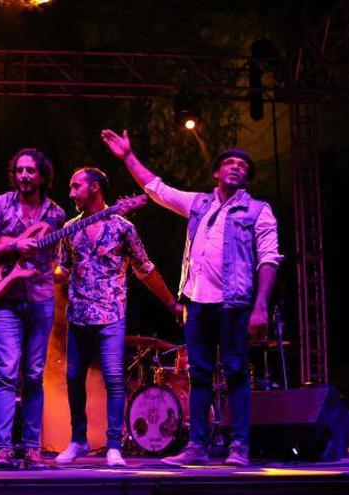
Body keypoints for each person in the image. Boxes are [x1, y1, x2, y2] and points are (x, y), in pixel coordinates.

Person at [101, 129, 282, 466]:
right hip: (197, 302)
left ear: (247, 176)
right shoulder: (198, 203)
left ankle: (239, 447)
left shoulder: (259, 210)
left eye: (242, 165)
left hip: (235, 303)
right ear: (216, 172)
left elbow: (269, 259)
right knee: (198, 375)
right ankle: (196, 446)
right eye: (228, 163)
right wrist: (128, 157)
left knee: (236, 371)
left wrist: (261, 307)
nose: (235, 167)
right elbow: (157, 190)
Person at [53, 167, 181, 467]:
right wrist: (40, 274)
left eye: (76, 187)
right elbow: (64, 268)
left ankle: (113, 445)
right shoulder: (71, 228)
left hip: (111, 314)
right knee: (73, 378)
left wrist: (170, 303)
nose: (71, 193)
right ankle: (78, 440)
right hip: (79, 315)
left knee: (113, 378)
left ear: (95, 188)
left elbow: (145, 268)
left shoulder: (123, 228)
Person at [0, 148, 66, 469]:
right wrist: (14, 245)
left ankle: (31, 447)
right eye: (21, 171)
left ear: (42, 176)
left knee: (35, 375)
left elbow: (59, 258)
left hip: (40, 298)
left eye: (31, 171)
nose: (25, 176)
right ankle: (2, 447)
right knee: (6, 374)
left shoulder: (56, 215)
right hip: (4, 300)